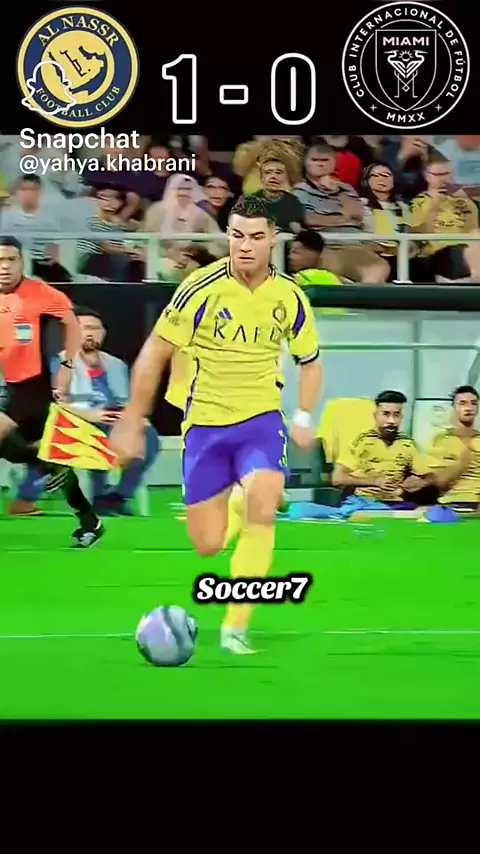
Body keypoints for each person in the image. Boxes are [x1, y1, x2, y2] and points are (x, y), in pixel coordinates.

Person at [111, 195, 322, 654]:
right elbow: (155, 351)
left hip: (261, 419)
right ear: (228, 235)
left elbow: (309, 361)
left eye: (256, 237)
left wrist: (304, 415)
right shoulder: (199, 288)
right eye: (237, 235)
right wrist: (132, 418)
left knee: (264, 506)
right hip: (205, 425)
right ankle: (237, 503)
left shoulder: (290, 296)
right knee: (208, 544)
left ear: (273, 239)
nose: (245, 246)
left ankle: (235, 628)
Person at [0, 236, 103, 547]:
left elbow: (71, 322)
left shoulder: (39, 292)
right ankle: (89, 520)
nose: (5, 266)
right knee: (33, 454)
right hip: (7, 386)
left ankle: (47, 463)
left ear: (22, 262)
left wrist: (68, 366)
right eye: (0, 260)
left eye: (11, 260)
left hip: (30, 386)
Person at [12, 306, 159, 516]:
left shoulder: (116, 364)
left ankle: (116, 497)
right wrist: (88, 415)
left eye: (94, 328)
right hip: (73, 418)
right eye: (83, 328)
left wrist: (134, 418)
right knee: (74, 436)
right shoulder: (58, 362)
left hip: (110, 417)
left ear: (103, 333)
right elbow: (53, 401)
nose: (89, 333)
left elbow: (124, 400)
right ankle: (27, 496)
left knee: (148, 437)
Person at [332, 390, 435, 510]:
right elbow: (337, 479)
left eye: (396, 415)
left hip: (397, 503)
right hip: (365, 502)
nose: (391, 421)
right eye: (386, 414)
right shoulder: (361, 442)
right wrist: (375, 481)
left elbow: (430, 477)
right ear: (375, 415)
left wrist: (420, 483)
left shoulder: (407, 444)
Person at [426, 385, 480, 512]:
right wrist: (461, 465)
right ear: (454, 408)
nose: (469, 408)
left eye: (473, 403)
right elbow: (439, 483)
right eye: (462, 403)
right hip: (452, 503)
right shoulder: (440, 440)